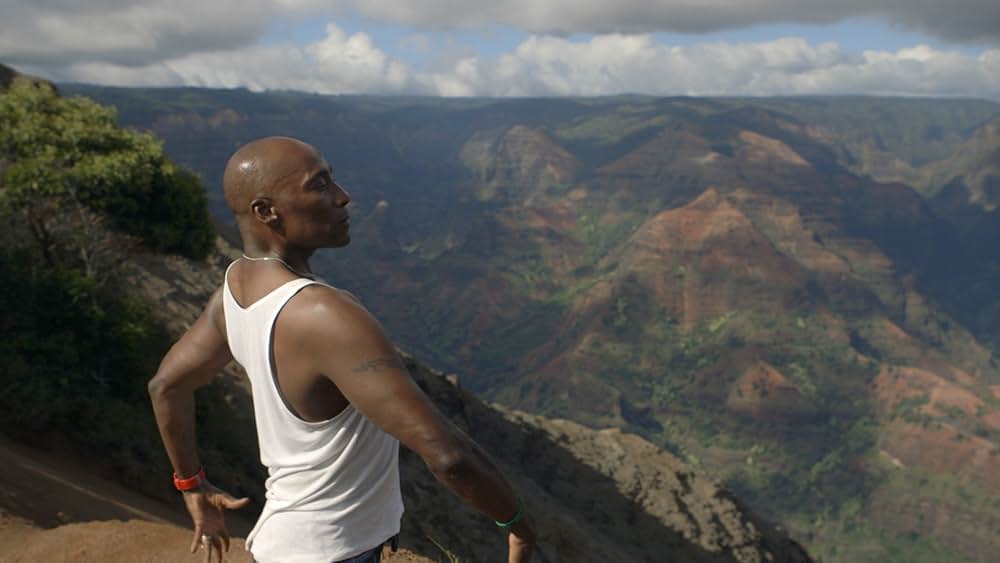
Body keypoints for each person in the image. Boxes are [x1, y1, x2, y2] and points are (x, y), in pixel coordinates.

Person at [147, 136, 536, 563]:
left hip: (284, 545)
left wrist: (191, 485)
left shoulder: (233, 291)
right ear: (265, 211)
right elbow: (447, 456)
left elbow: (166, 387)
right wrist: (515, 522)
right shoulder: (324, 313)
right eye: (320, 185)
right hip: (331, 553)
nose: (343, 197)